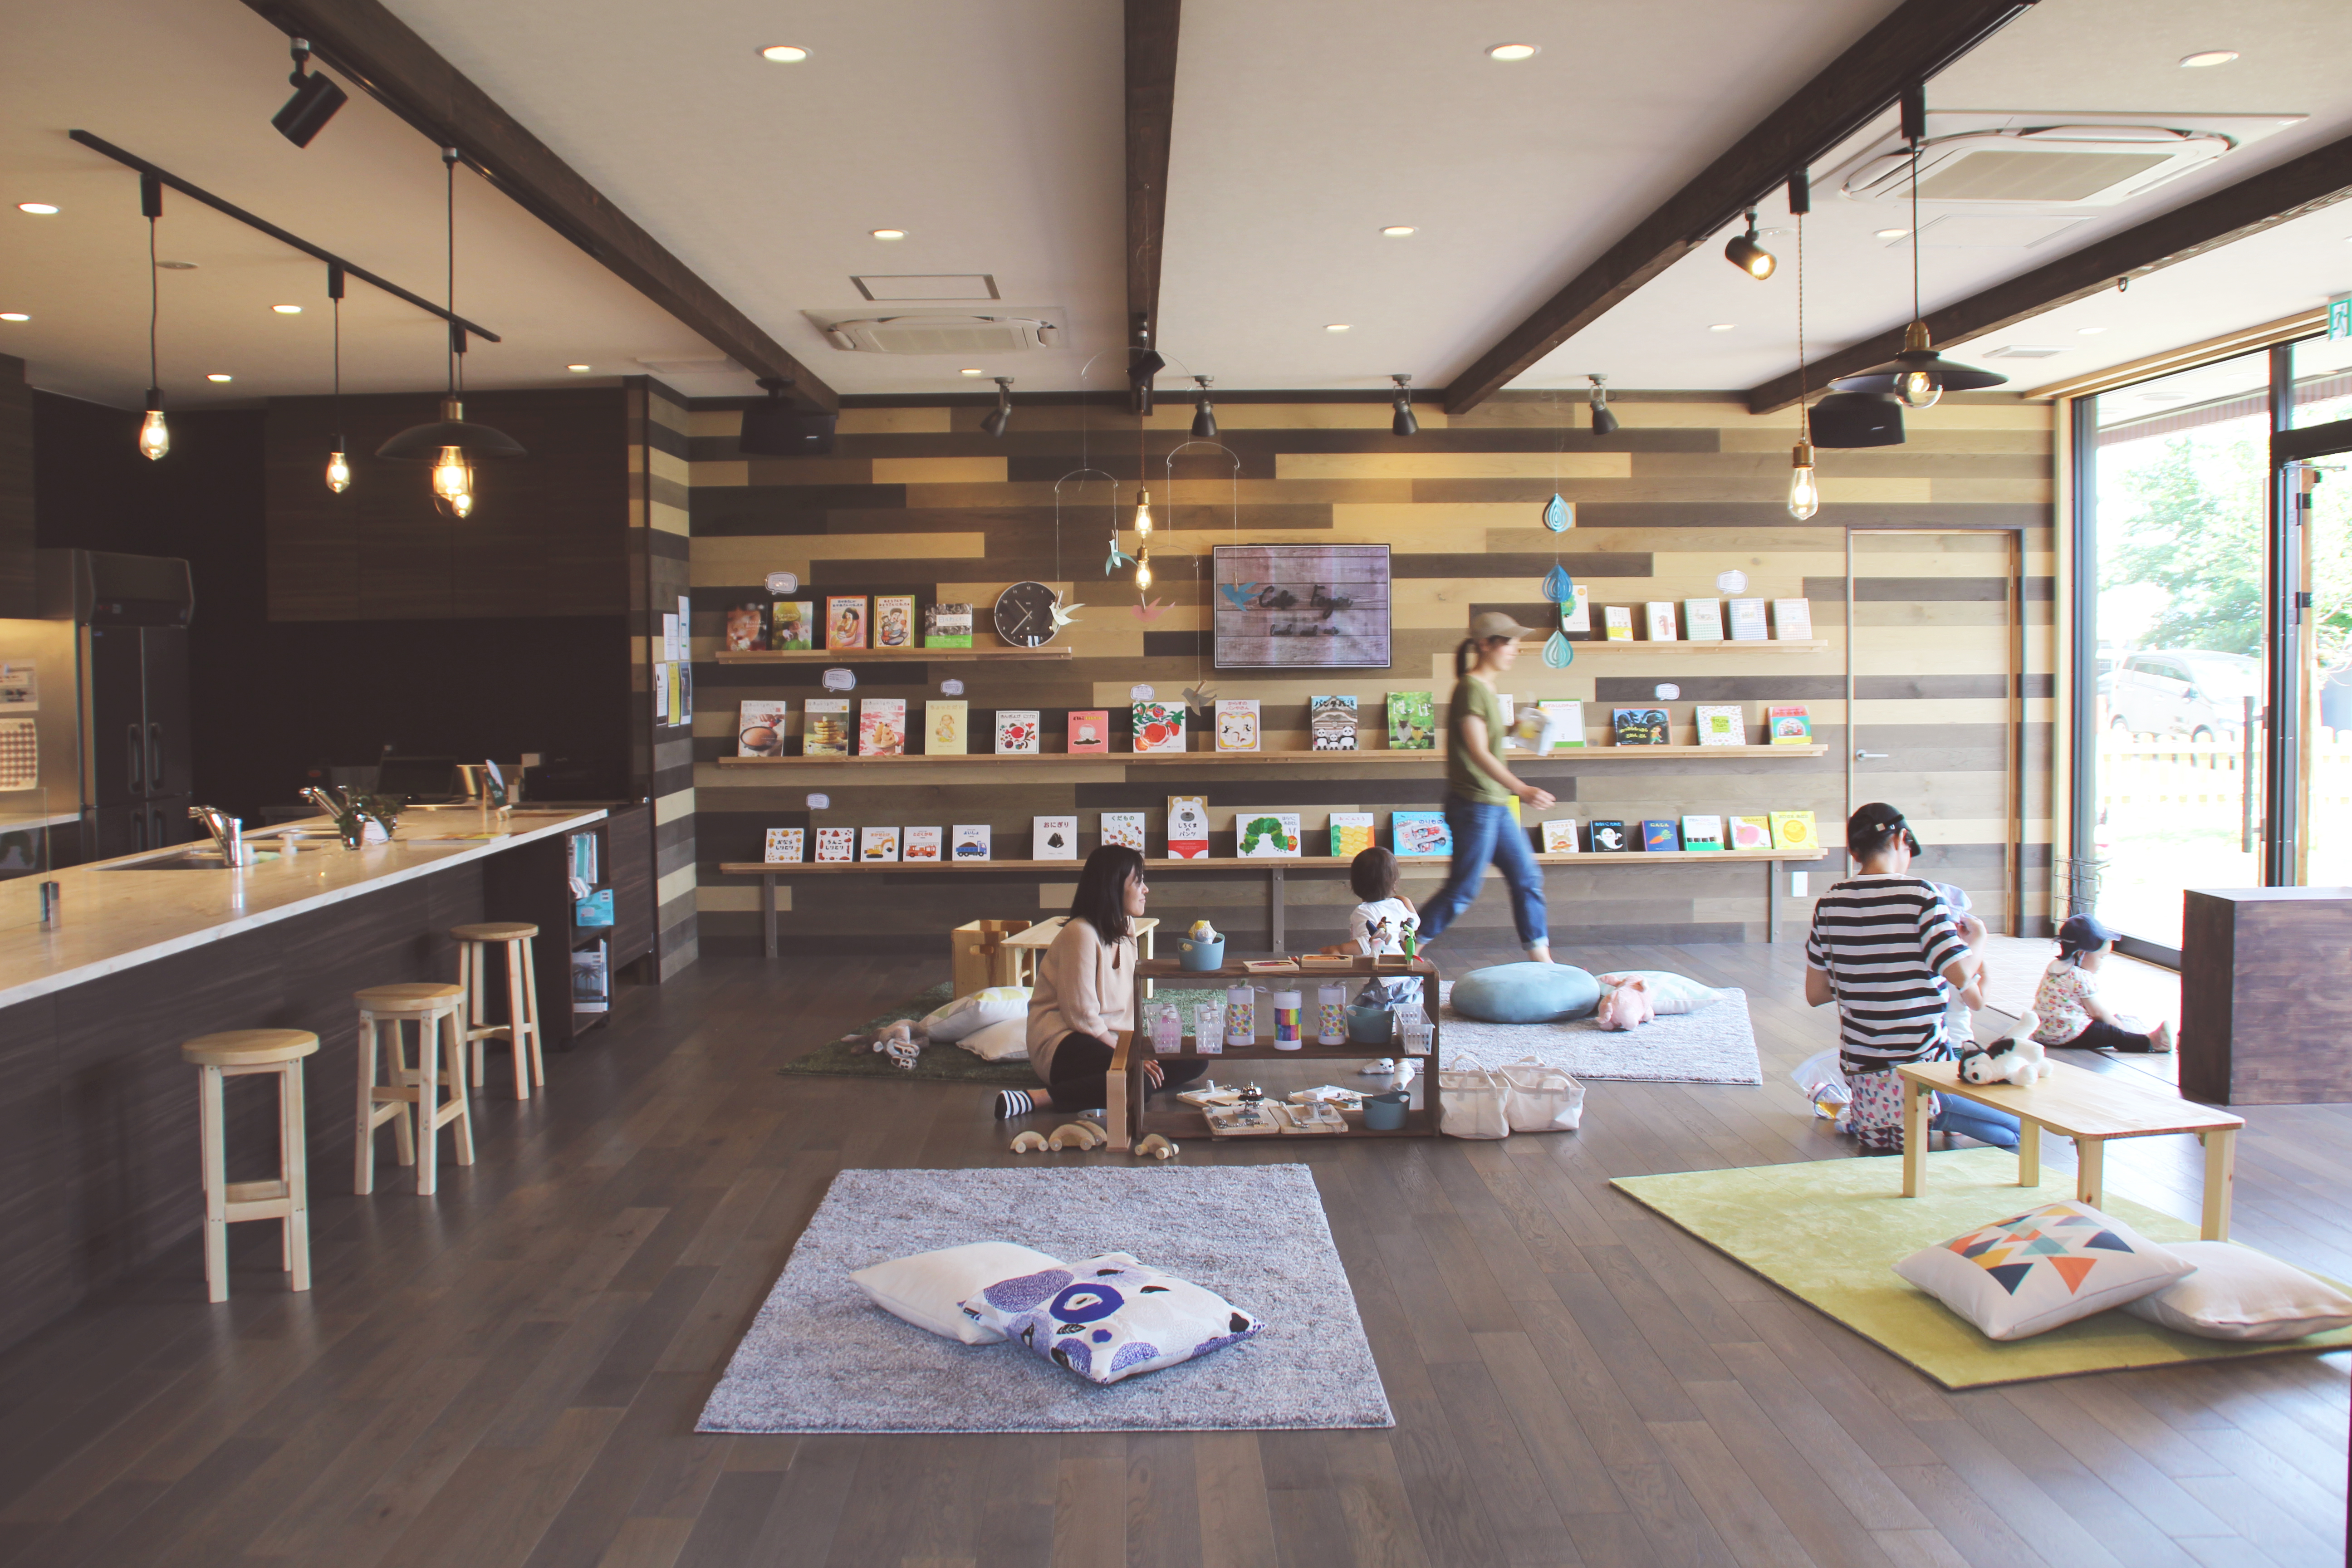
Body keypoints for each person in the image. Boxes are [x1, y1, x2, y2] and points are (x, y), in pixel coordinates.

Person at [1803, 804, 2019, 1156]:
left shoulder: (1829, 904)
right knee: (2019, 1130)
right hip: (1922, 1072)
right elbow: (1963, 977)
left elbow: (1816, 993)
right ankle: (1933, 1116)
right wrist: (1978, 941)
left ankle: (1925, 1119)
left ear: (1855, 852)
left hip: (1864, 1073)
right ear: (1904, 838)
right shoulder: (1922, 897)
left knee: (1888, 1160)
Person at [994, 845, 1205, 1118]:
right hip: (1065, 1041)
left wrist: (1136, 1049)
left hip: (1113, 1038)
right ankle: (1037, 1099)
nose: (1146, 890)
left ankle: (1102, 1085)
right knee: (1136, 1082)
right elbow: (1081, 1016)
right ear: (1114, 887)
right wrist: (1128, 1056)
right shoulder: (1080, 933)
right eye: (1139, 882)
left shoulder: (1126, 926)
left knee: (1196, 1059)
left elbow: (1126, 1004)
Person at [1414, 611, 1555, 963]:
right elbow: (1476, 751)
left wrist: (1515, 730)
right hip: (1475, 804)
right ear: (1484, 645)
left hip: (1494, 803)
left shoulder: (1485, 688)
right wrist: (1523, 789)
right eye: (1509, 643)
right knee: (1462, 890)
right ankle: (1404, 951)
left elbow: (1484, 740)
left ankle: (1543, 963)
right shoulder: (1470, 688)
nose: (1515, 650)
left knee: (1527, 879)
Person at [2030, 913, 2175, 1053]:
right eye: (2101, 958)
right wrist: (2117, 1025)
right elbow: (2098, 1013)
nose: (2101, 964)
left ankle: (2143, 1033)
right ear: (2082, 954)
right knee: (2113, 1034)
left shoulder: (2055, 967)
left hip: (2043, 1030)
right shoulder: (2081, 976)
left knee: (2107, 1024)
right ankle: (2153, 1042)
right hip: (2066, 1034)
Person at [1346, 847, 1423, 1008]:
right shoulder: (1401, 904)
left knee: (1374, 1022)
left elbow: (1366, 945)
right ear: (1394, 882)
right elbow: (1415, 922)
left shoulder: (1363, 912)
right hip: (1408, 976)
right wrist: (1405, 900)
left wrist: (1338, 950)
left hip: (1383, 980)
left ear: (1355, 884)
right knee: (1406, 1015)